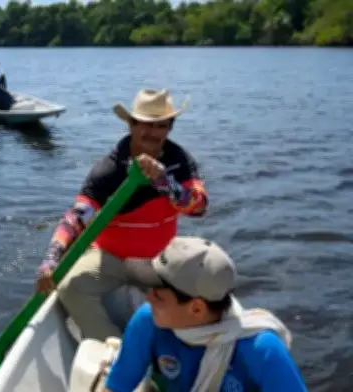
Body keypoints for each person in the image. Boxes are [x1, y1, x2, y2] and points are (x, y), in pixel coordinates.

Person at [34, 88, 209, 341]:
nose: (153, 133)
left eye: (162, 126)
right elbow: (75, 218)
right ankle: (112, 348)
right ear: (130, 125)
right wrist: (51, 259)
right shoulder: (109, 170)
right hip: (110, 258)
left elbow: (200, 207)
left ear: (170, 128)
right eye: (146, 125)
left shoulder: (179, 161)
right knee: (71, 287)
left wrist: (164, 181)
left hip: (159, 261)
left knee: (197, 304)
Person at [103, 236, 308, 392]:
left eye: (158, 295)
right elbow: (115, 388)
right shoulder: (147, 321)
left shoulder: (262, 350)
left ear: (197, 309)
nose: (148, 299)